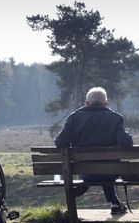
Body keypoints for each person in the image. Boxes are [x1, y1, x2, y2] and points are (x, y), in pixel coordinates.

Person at [55, 87, 134, 215]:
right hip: (111, 171)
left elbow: (60, 143)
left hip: (83, 171)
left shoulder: (74, 118)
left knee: (97, 169)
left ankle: (82, 194)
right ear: (106, 103)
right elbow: (127, 143)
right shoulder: (115, 118)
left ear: (87, 103)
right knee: (105, 168)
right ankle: (115, 204)